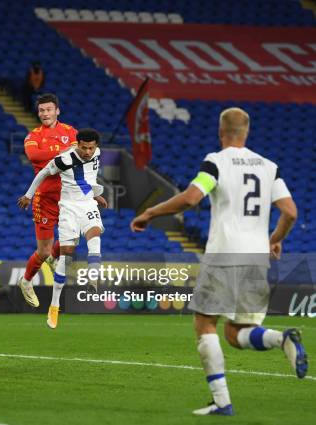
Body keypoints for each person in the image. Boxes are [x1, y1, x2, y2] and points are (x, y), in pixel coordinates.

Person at [130, 107, 308, 415]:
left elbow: (190, 198)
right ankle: (282, 339)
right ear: (247, 132)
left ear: (220, 132)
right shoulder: (269, 166)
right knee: (235, 333)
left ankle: (222, 402)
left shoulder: (216, 162)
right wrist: (275, 238)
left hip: (225, 252)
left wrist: (149, 212)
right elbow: (290, 211)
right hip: (256, 258)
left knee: (205, 323)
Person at [19, 128, 107, 328]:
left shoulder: (97, 153)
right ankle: (54, 305)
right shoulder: (64, 159)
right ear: (77, 144)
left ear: (96, 147)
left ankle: (94, 276)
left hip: (87, 205)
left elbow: (88, 178)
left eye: (90, 148)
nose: (87, 152)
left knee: (94, 234)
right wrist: (28, 195)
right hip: (67, 208)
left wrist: (95, 195)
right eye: (83, 148)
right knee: (66, 254)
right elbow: (42, 173)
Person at [18, 93, 77, 308]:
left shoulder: (70, 131)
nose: (45, 114)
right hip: (44, 198)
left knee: (73, 238)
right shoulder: (32, 136)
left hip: (68, 196)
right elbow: (35, 157)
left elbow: (78, 156)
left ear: (57, 111)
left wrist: (57, 153)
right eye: (42, 110)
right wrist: (64, 152)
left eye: (49, 110)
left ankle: (54, 257)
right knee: (42, 251)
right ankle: (25, 282)